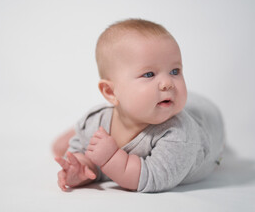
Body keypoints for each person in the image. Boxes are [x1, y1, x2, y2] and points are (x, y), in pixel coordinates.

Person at [53, 18, 225, 193]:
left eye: (175, 71)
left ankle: (77, 132)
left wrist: (111, 157)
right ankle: (78, 132)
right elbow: (88, 162)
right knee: (85, 135)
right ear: (110, 92)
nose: (168, 83)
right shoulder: (96, 121)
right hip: (161, 104)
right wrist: (81, 168)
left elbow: (154, 177)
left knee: (194, 117)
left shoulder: (179, 134)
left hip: (207, 121)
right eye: (149, 74)